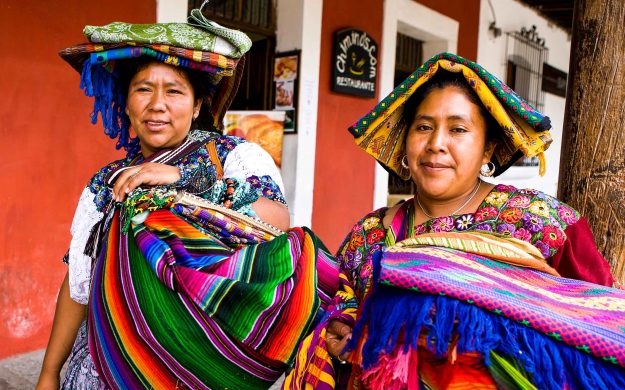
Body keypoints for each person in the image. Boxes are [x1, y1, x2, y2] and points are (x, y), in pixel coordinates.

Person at [37, 7, 338, 390]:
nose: (157, 103)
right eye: (143, 88)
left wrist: (184, 179)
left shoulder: (233, 156)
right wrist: (49, 371)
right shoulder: (106, 183)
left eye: (175, 91)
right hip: (106, 364)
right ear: (126, 104)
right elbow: (79, 282)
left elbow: (274, 220)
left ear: (198, 106)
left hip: (198, 365)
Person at [285, 52, 624, 389]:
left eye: (458, 129)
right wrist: (342, 329)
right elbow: (335, 307)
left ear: (488, 148)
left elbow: (602, 328)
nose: (436, 144)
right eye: (423, 127)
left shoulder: (540, 225)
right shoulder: (370, 235)